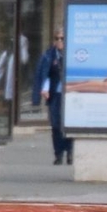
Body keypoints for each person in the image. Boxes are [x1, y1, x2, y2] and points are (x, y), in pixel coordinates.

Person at [32, 27, 72, 164]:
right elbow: (42, 74)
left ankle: (70, 152)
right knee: (56, 125)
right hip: (55, 93)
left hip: (70, 94)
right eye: (57, 38)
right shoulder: (49, 55)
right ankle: (58, 154)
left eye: (62, 38)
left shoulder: (73, 54)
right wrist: (44, 89)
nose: (59, 41)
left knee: (70, 123)